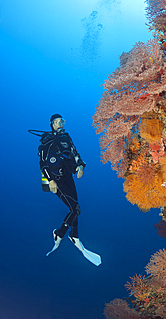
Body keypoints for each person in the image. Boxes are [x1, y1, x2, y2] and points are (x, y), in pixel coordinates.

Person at [38, 114, 101, 266]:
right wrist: (50, 181)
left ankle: (74, 235)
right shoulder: (47, 140)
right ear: (52, 124)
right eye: (56, 122)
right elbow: (42, 162)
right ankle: (60, 235)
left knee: (76, 209)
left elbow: (75, 153)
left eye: (61, 121)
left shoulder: (67, 138)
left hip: (68, 176)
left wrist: (81, 166)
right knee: (74, 209)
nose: (60, 124)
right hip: (56, 179)